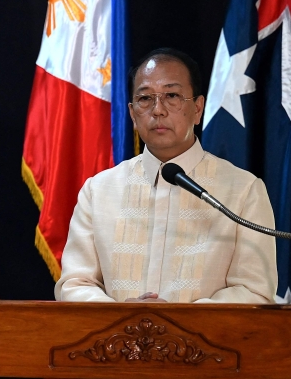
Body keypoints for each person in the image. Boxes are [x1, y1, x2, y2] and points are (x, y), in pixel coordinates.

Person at [55, 48, 276, 303]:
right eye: (145, 99)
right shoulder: (99, 191)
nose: (157, 110)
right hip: (116, 341)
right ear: (132, 114)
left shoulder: (243, 191)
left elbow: (255, 291)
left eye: (172, 95)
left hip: (206, 342)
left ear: (197, 108)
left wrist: (176, 322)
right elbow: (74, 284)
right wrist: (125, 319)